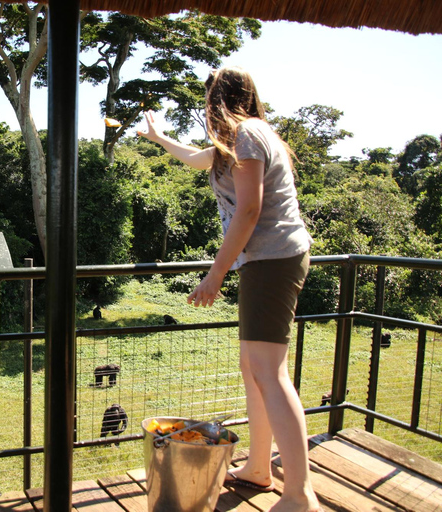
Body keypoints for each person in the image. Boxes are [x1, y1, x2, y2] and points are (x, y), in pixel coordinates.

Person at [137, 67, 321, 512]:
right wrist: (159, 138)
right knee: (254, 368)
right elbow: (198, 159)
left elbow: (250, 209)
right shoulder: (236, 142)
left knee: (270, 374)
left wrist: (215, 274)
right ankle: (259, 466)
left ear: (217, 99)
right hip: (264, 263)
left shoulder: (247, 136)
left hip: (272, 261)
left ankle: (300, 493)